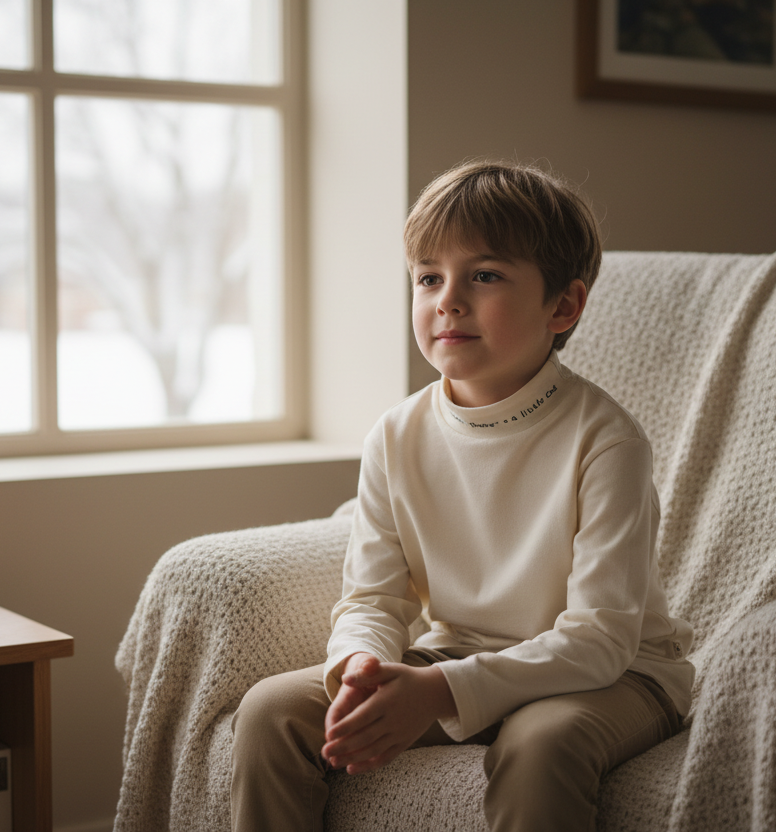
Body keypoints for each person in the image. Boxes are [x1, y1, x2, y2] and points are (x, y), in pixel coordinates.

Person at [230, 160, 696, 832]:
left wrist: (443, 690)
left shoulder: (607, 441)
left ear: (563, 306)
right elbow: (373, 599)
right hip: (455, 655)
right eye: (428, 277)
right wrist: (360, 667)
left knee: (540, 746)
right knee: (272, 711)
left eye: (484, 275)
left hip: (615, 675)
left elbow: (600, 638)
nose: (447, 299)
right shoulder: (395, 436)